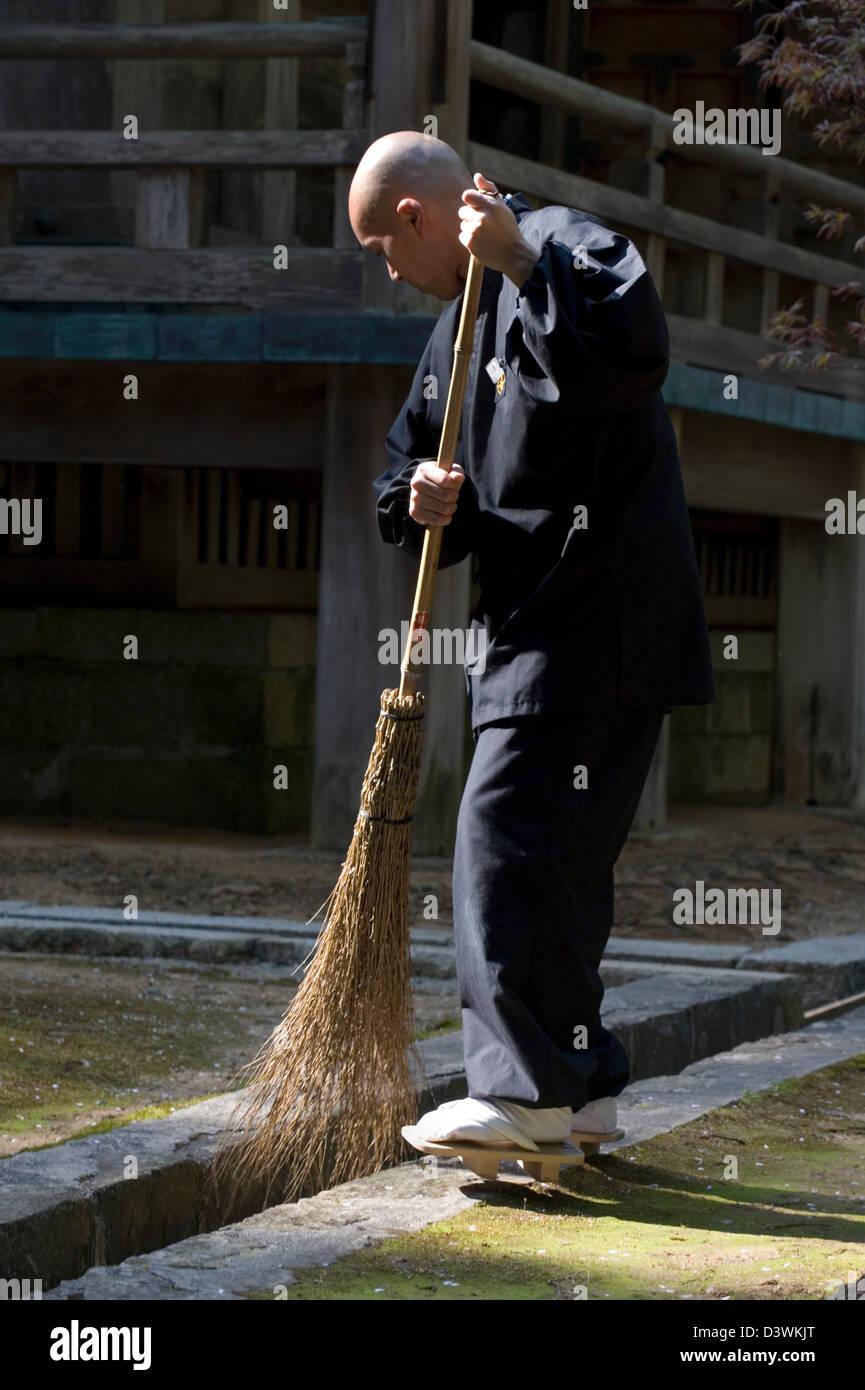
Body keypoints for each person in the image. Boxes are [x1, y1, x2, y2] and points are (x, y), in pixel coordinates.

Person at [348, 132, 715, 1153]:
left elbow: (632, 353)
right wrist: (417, 496)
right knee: (557, 864)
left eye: (385, 247)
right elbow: (414, 465)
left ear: (417, 218)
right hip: (533, 626)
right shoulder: (452, 332)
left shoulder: (562, 244)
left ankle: (519, 1092)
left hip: (597, 615)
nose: (390, 270)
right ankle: (581, 1089)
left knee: (501, 837)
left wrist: (517, 262)